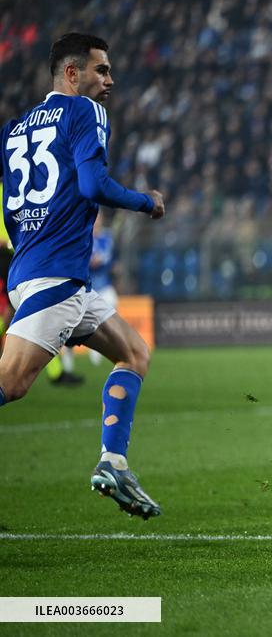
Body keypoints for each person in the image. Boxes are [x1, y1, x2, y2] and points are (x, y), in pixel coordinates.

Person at [0, 33, 166, 518]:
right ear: (72, 74)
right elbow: (93, 184)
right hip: (57, 278)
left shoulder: (13, 130)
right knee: (9, 384)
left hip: (37, 271)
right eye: (102, 70)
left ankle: (113, 461)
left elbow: (11, 215)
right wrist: (146, 202)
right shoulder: (85, 112)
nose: (110, 80)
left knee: (134, 353)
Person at [88, 209, 116, 365]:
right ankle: (67, 361)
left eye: (99, 217)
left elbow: (108, 256)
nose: (97, 221)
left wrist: (101, 260)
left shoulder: (106, 237)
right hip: (87, 286)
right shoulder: (84, 235)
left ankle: (104, 345)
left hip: (104, 285)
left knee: (112, 302)